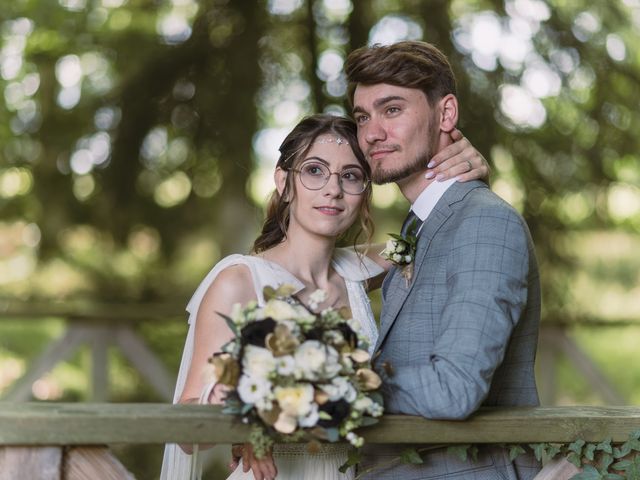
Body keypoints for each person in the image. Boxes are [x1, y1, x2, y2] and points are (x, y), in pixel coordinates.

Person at [159, 113, 488, 480]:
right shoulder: (238, 280)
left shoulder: (359, 273)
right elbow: (188, 427)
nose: (333, 189)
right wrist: (247, 420)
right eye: (314, 171)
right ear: (284, 184)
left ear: (364, 192)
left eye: (350, 176)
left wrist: (467, 171)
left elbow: (429, 233)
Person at [345, 41, 542, 479]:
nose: (372, 133)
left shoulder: (485, 224)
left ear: (446, 114)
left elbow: (456, 389)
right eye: (362, 117)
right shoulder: (420, 227)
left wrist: (331, 386)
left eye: (392, 109)